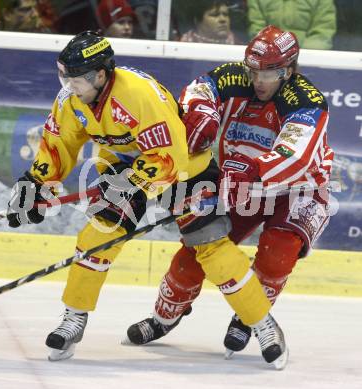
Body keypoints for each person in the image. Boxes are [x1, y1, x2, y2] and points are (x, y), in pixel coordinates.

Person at [6, 30, 287, 367]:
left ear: (100, 74)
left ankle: (262, 323)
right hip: (128, 165)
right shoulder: (72, 98)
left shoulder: (138, 96)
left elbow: (169, 156)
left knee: (212, 248)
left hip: (185, 167)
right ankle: (74, 318)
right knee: (99, 234)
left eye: (75, 78)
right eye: (63, 75)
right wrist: (36, 184)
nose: (67, 85)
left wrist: (130, 182)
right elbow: (59, 143)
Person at [127, 25, 333, 363]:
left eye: (271, 73)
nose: (259, 81)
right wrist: (200, 113)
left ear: (290, 70)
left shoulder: (306, 100)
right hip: (240, 185)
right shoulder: (234, 77)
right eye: (254, 71)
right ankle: (164, 317)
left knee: (277, 254)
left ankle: (248, 315)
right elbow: (200, 89)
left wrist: (247, 174)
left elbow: (295, 157)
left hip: (300, 188)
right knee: (194, 257)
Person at [247, 0, 336, 50]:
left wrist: (303, 56)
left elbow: (322, 31)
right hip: (270, 58)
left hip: (308, 59)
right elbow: (257, 29)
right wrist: (273, 53)